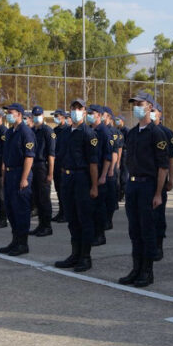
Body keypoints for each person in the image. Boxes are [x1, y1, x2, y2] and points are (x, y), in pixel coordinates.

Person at [119, 92, 169, 287]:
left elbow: (163, 166)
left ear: (149, 106)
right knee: (134, 229)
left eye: (140, 104)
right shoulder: (132, 133)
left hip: (148, 185)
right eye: (135, 104)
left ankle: (147, 272)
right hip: (133, 185)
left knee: (147, 229)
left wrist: (158, 193)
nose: (136, 107)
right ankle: (136, 268)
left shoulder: (157, 133)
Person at [55, 99, 100, 272]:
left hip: (82, 178)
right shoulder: (65, 132)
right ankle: (75, 254)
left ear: (84, 111)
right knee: (72, 219)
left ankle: (85, 257)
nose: (75, 111)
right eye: (73, 108)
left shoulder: (88, 133)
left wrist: (94, 186)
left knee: (84, 219)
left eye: (79, 108)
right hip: (67, 178)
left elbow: (93, 163)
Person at [0, 103, 35, 256]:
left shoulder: (25, 132)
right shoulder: (10, 132)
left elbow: (29, 157)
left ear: (19, 114)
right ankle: (15, 240)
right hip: (10, 174)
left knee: (21, 210)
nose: (8, 114)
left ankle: (22, 243)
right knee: (11, 209)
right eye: (7, 112)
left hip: (20, 173)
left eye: (11, 112)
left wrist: (24, 178)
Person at [150, 101, 173, 260]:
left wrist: (171, 179)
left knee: (158, 215)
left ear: (160, 113)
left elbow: (171, 159)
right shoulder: (142, 131)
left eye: (154, 110)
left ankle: (158, 246)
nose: (151, 113)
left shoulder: (166, 132)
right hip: (143, 181)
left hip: (159, 181)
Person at [89, 105, 114, 246]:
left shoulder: (103, 131)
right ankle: (93, 233)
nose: (89, 115)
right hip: (90, 174)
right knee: (91, 208)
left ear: (99, 115)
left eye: (91, 113)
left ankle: (100, 236)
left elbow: (108, 156)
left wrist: (104, 175)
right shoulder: (89, 130)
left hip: (99, 173)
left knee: (99, 207)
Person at [29, 106, 56, 236]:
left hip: (43, 166)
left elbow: (51, 154)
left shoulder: (48, 131)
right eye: (34, 115)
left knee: (44, 198)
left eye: (38, 115)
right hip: (33, 166)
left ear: (43, 116)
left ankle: (47, 226)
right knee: (36, 198)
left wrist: (50, 173)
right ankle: (40, 225)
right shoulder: (32, 131)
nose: (36, 117)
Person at [51, 109, 71, 223]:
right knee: (58, 188)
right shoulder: (55, 130)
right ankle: (61, 211)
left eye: (57, 116)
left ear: (63, 117)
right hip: (56, 162)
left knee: (64, 190)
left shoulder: (67, 130)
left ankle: (66, 213)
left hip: (64, 163)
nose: (56, 118)